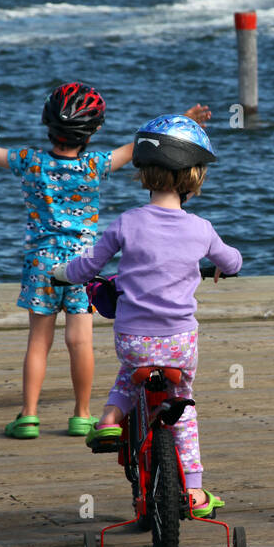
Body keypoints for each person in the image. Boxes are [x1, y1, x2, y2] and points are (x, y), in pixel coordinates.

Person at [0, 84, 210, 439]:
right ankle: (82, 414)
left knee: (38, 341)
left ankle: (29, 416)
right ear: (93, 132)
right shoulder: (94, 165)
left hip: (41, 265)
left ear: (48, 125)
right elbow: (143, 146)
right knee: (80, 342)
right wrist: (183, 119)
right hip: (83, 265)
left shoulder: (30, 161)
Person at [52, 115, 241, 516]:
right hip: (179, 343)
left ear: (144, 171)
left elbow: (88, 267)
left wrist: (62, 273)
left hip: (133, 339)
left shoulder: (127, 223)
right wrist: (225, 266)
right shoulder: (201, 229)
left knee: (128, 375)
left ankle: (108, 419)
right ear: (194, 177)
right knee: (182, 405)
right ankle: (194, 491)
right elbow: (233, 261)